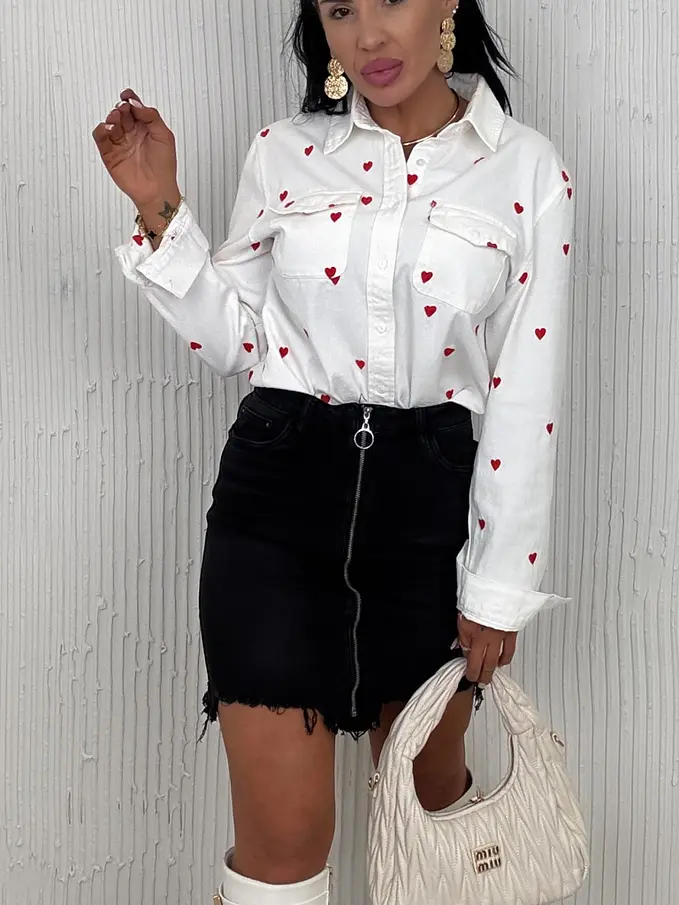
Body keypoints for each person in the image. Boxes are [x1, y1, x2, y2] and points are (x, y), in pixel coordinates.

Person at [93, 0, 574, 902]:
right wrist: (158, 204)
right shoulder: (284, 151)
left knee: (431, 832)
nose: (367, 36)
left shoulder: (524, 168)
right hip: (275, 508)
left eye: (390, 0)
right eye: (341, 9)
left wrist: (498, 586)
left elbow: (525, 389)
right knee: (280, 849)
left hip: (426, 522)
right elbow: (236, 342)